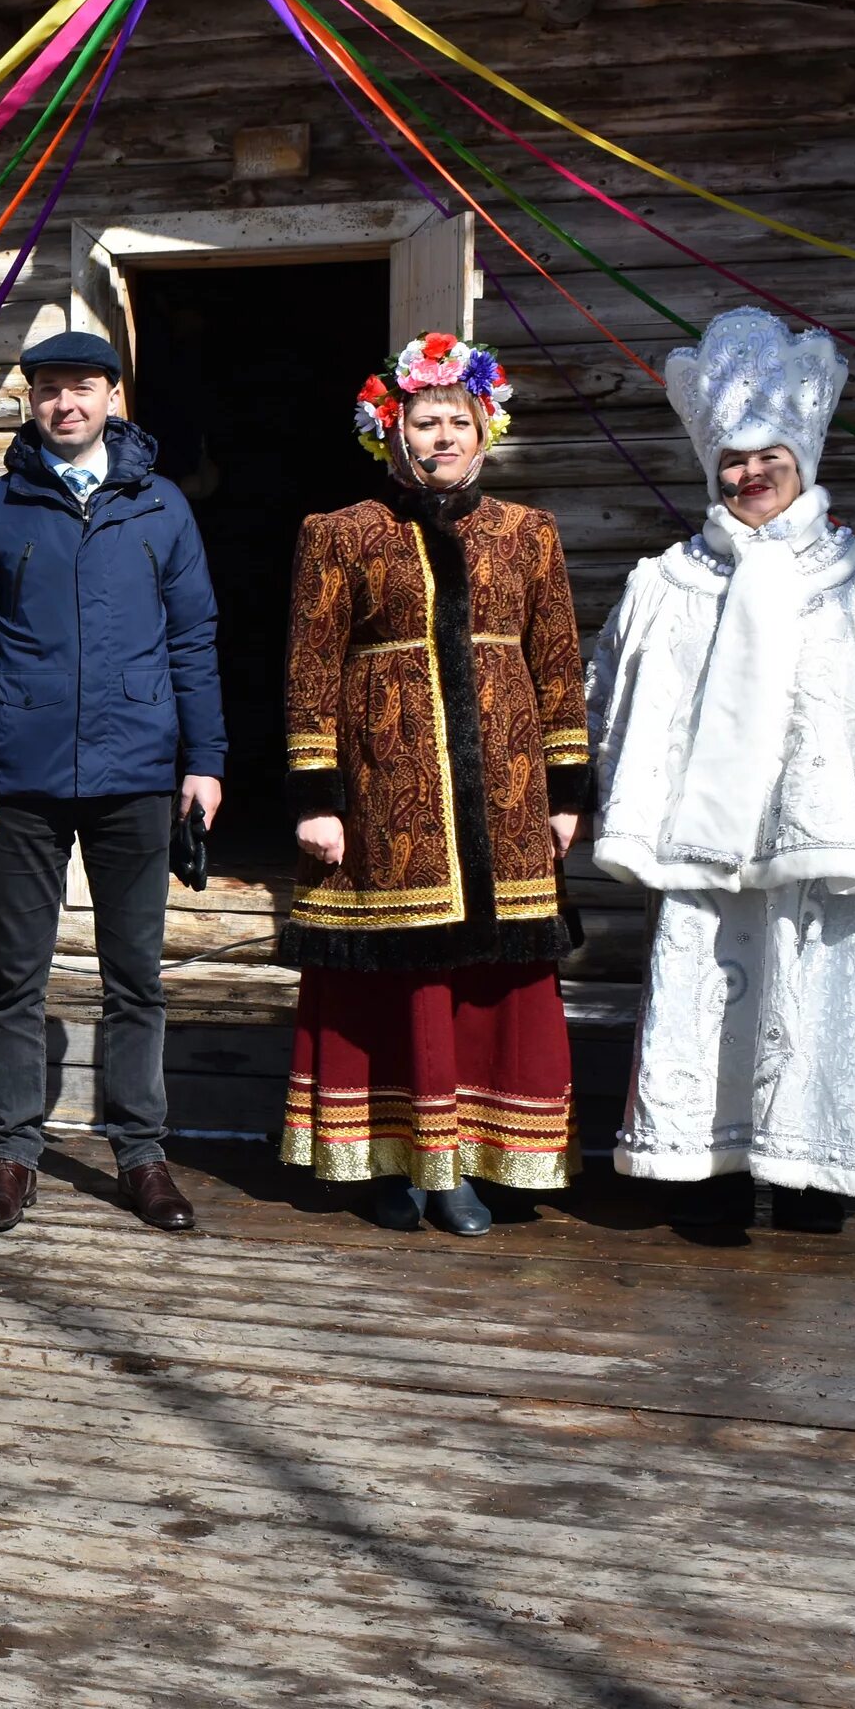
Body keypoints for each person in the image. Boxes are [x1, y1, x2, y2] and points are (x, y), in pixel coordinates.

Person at [588, 307, 855, 1231]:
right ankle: (714, 1170)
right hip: (711, 846)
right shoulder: (667, 583)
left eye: (768, 455)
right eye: (732, 458)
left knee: (824, 990)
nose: (749, 473)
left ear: (802, 460)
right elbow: (616, 696)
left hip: (829, 840)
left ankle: (816, 1177)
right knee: (712, 987)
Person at [280, 334, 586, 1235]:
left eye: (458, 421)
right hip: (389, 793)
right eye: (425, 421)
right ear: (393, 430)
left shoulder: (528, 534)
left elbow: (558, 663)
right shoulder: (339, 534)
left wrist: (567, 787)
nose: (442, 436)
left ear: (484, 429)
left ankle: (474, 1164)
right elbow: (310, 667)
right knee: (403, 980)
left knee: (492, 984)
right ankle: (402, 1164)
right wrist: (317, 795)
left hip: (508, 790)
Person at [0, 331, 224, 1236]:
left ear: (111, 394)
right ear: (31, 400)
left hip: (136, 771)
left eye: (83, 388)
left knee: (135, 978)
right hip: (20, 779)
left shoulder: (162, 508)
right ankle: (13, 1152)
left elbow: (193, 640)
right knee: (17, 978)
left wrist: (204, 759)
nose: (67, 404)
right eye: (49, 389)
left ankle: (141, 1156)